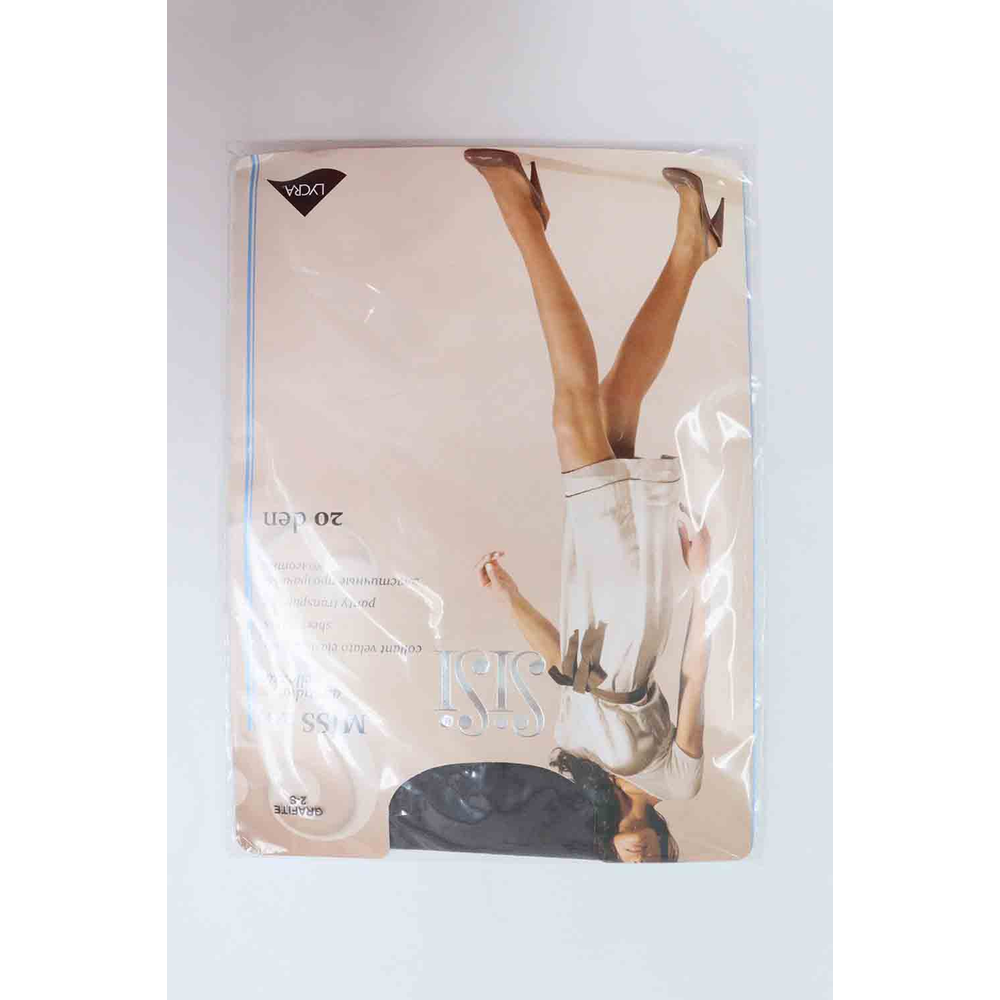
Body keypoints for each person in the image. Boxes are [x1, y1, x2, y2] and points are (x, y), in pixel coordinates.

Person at [465, 149, 720, 845]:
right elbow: (695, 676)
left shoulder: (581, 774)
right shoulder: (679, 785)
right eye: (651, 864)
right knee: (572, 412)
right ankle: (523, 218)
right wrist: (705, 583)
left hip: (588, 610)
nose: (635, 856)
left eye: (622, 865)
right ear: (665, 850)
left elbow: (565, 667)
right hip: (630, 609)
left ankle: (691, 252)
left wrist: (509, 597)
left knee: (612, 401)